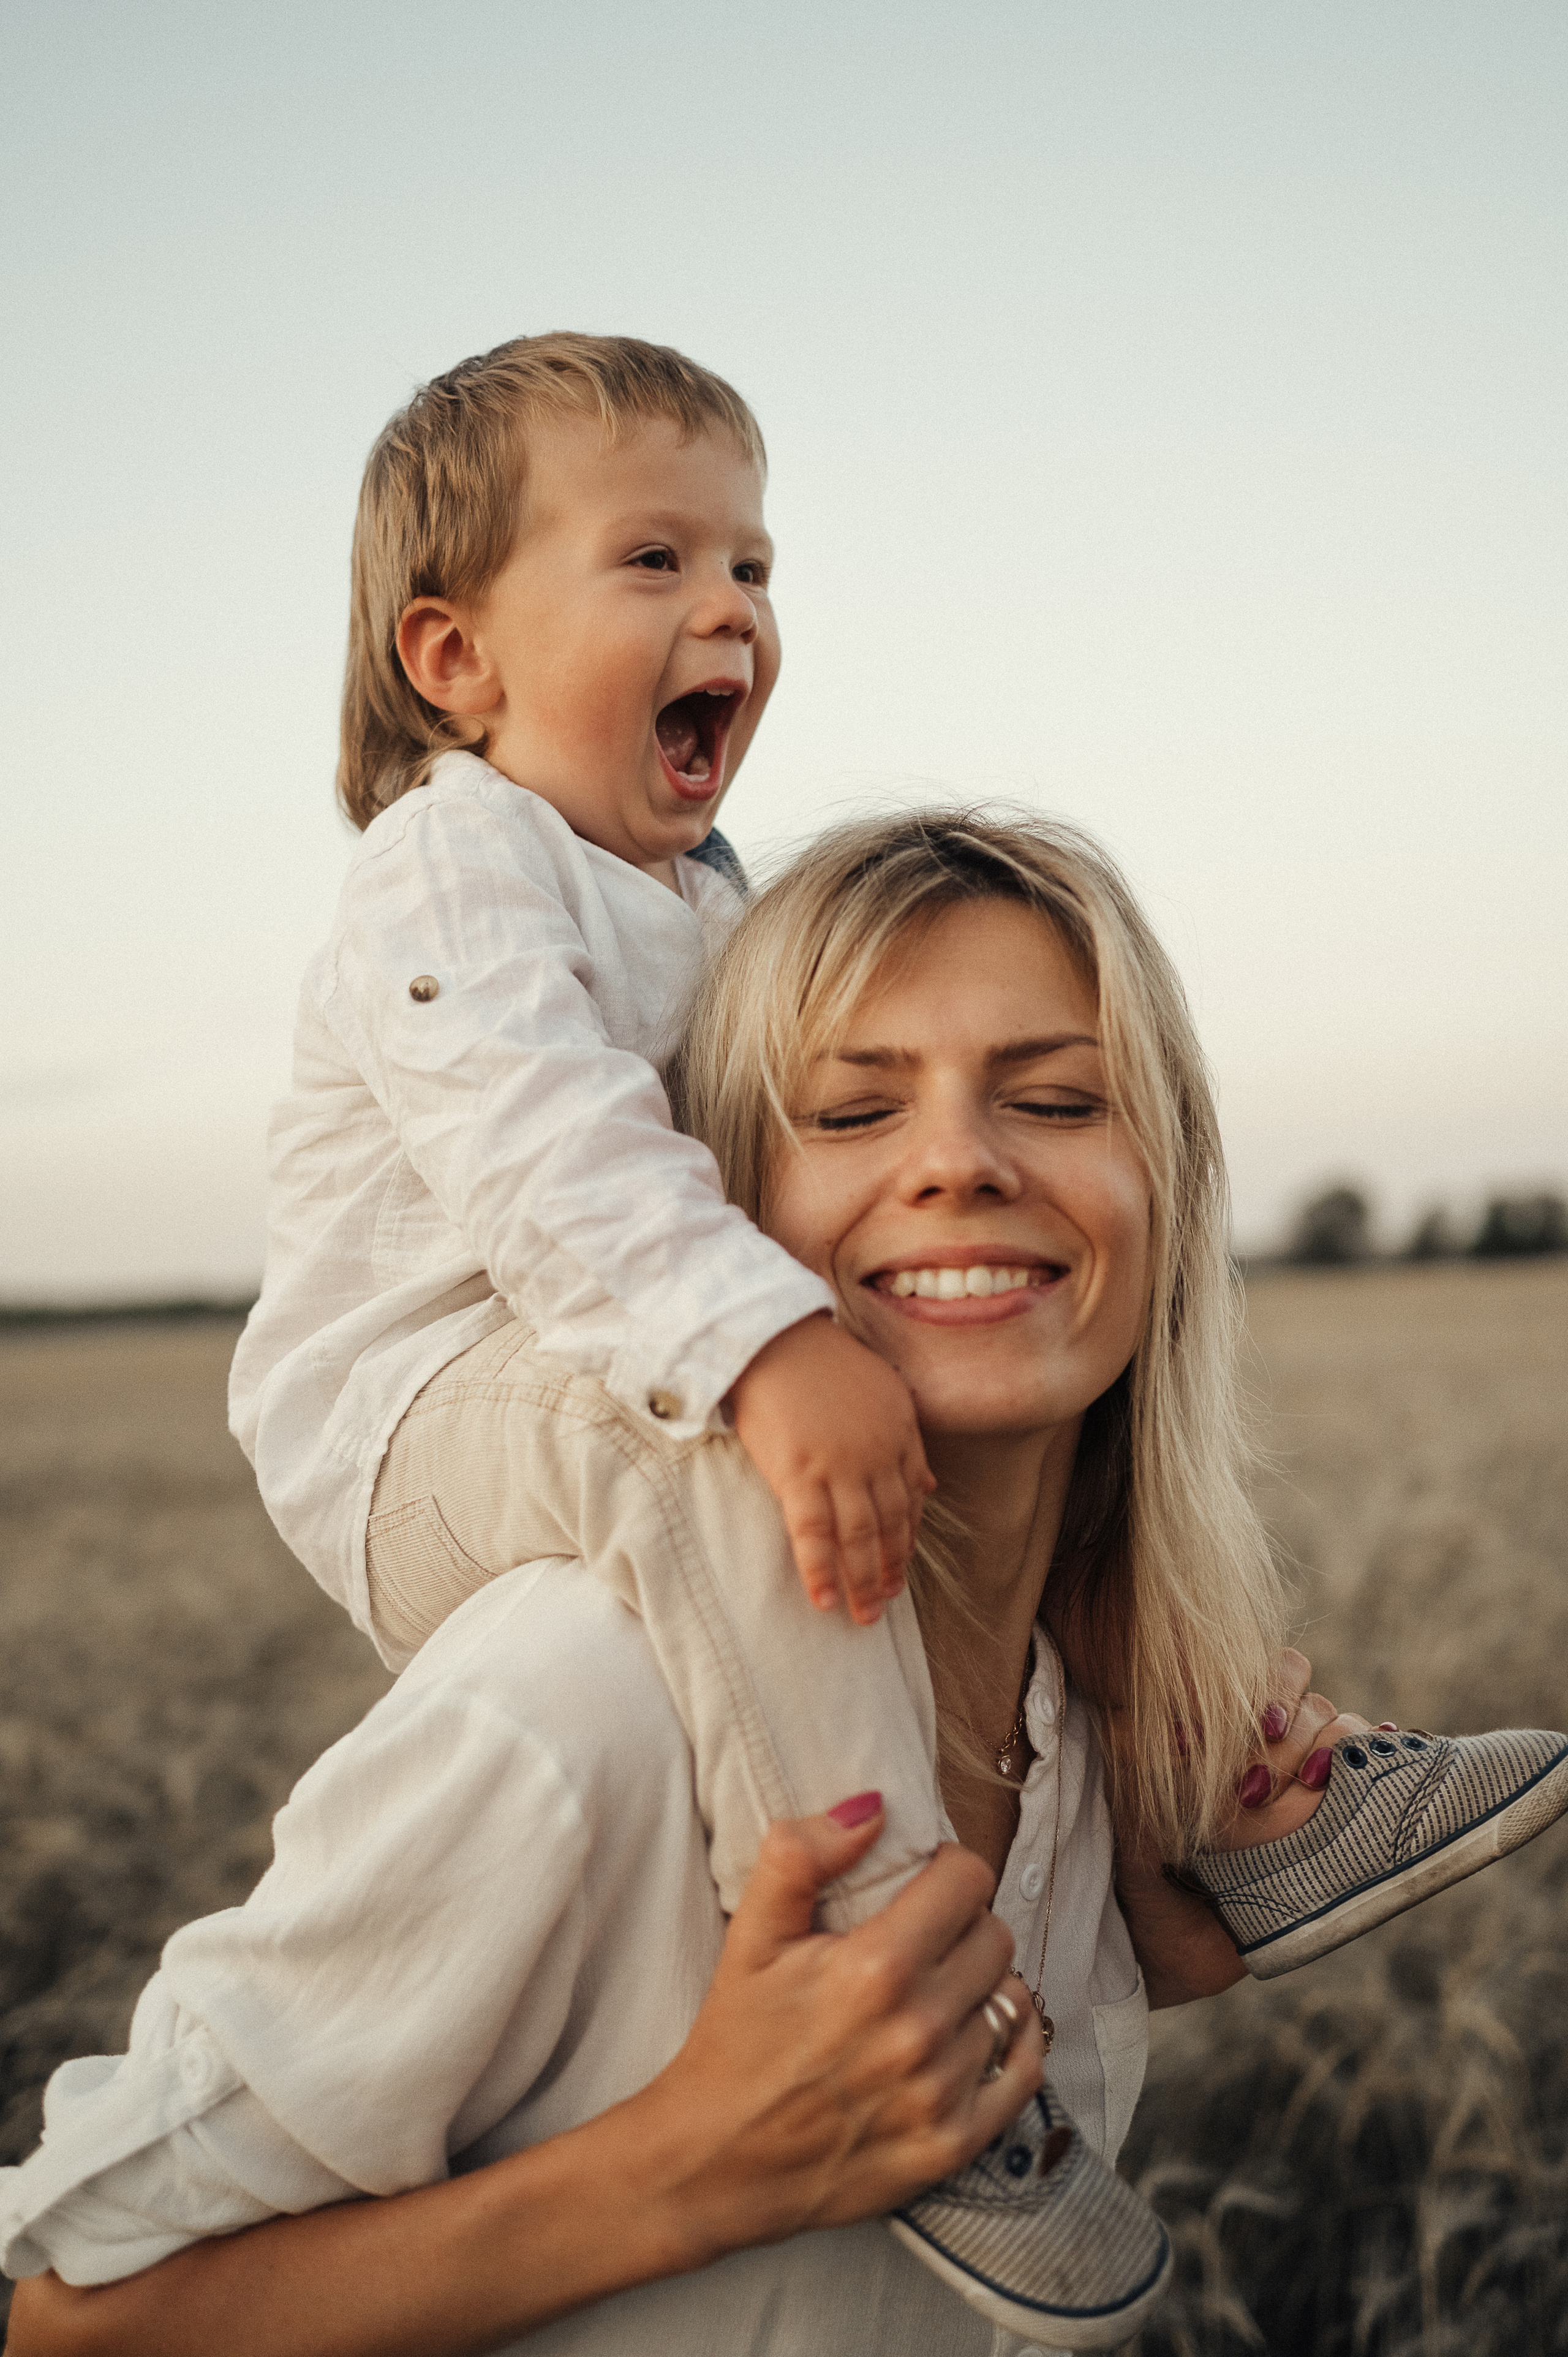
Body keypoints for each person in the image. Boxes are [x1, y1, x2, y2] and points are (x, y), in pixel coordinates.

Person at [7, 814, 1565, 2356]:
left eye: (1052, 1096)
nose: (957, 1161)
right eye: (846, 1115)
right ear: (713, 1220)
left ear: (1166, 1194)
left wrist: (1133, 1913)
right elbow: (70, 2323)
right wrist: (694, 2167)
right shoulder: (571, 1700)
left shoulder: (1072, 1725)